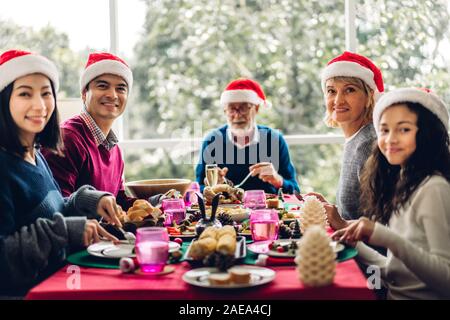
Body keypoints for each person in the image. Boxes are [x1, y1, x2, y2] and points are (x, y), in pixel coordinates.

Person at [0, 50, 120, 294]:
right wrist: (64, 231)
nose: (40, 105)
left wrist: (89, 199)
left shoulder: (34, 155)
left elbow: (52, 210)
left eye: (46, 93)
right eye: (25, 93)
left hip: (61, 281)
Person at [332, 88, 450, 299]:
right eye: (384, 130)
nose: (390, 139)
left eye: (403, 129)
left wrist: (385, 236)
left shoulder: (434, 188)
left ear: (427, 134)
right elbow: (396, 274)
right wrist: (354, 243)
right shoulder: (402, 186)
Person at [42, 52, 140, 210]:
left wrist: (155, 202)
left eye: (121, 88)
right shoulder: (67, 138)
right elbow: (58, 207)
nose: (112, 95)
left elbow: (117, 202)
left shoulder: (114, 148)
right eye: (103, 86)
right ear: (83, 93)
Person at [307, 51, 384, 227]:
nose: (338, 100)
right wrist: (327, 207)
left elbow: (385, 225)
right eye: (331, 91)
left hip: (366, 254)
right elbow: (357, 211)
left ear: (369, 97)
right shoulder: (356, 139)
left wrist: (341, 223)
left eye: (349, 90)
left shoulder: (368, 144)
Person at [195, 78, 300, 194]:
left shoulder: (274, 139)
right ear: (225, 111)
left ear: (256, 108)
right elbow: (198, 188)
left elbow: (295, 191)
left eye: (244, 108)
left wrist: (277, 180)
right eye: (231, 108)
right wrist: (212, 186)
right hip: (225, 209)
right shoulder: (212, 140)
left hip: (267, 210)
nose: (237, 115)